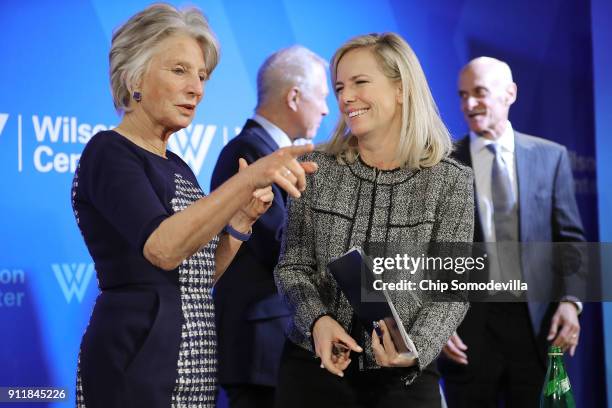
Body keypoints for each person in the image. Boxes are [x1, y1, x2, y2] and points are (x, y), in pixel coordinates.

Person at [71, 4, 317, 408]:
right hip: (138, 359)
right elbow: (163, 249)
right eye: (180, 70)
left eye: (202, 75)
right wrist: (248, 179)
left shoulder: (178, 166)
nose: (198, 88)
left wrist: (238, 225)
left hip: (194, 363)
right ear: (134, 75)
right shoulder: (109, 151)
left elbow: (196, 276)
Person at [273, 33, 474, 408]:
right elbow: (292, 267)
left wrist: (414, 349)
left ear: (401, 89)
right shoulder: (316, 170)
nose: (346, 97)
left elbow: (451, 293)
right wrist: (317, 320)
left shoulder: (451, 181)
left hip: (403, 384)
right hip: (313, 373)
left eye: (360, 82)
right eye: (339, 87)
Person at [440, 57, 585, 407]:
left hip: (536, 328)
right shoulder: (443, 163)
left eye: (479, 93)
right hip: (467, 332)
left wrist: (571, 302)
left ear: (510, 94)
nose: (469, 104)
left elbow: (570, 240)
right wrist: (437, 322)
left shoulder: (551, 157)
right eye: (462, 95)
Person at [210, 46, 329, 408]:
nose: (326, 109)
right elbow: (282, 244)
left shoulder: (271, 152)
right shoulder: (248, 152)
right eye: (322, 97)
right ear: (294, 96)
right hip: (261, 351)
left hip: (278, 347)